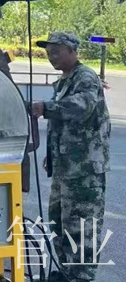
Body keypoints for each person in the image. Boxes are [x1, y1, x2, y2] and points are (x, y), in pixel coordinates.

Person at [31, 32, 111, 282]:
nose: (51, 56)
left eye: (56, 51)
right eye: (48, 52)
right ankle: (66, 273)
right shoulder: (64, 81)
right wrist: (52, 154)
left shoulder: (85, 77)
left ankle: (81, 277)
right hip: (65, 167)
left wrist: (46, 108)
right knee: (59, 222)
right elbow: (64, 126)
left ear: (72, 51)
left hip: (84, 170)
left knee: (82, 227)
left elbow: (81, 107)